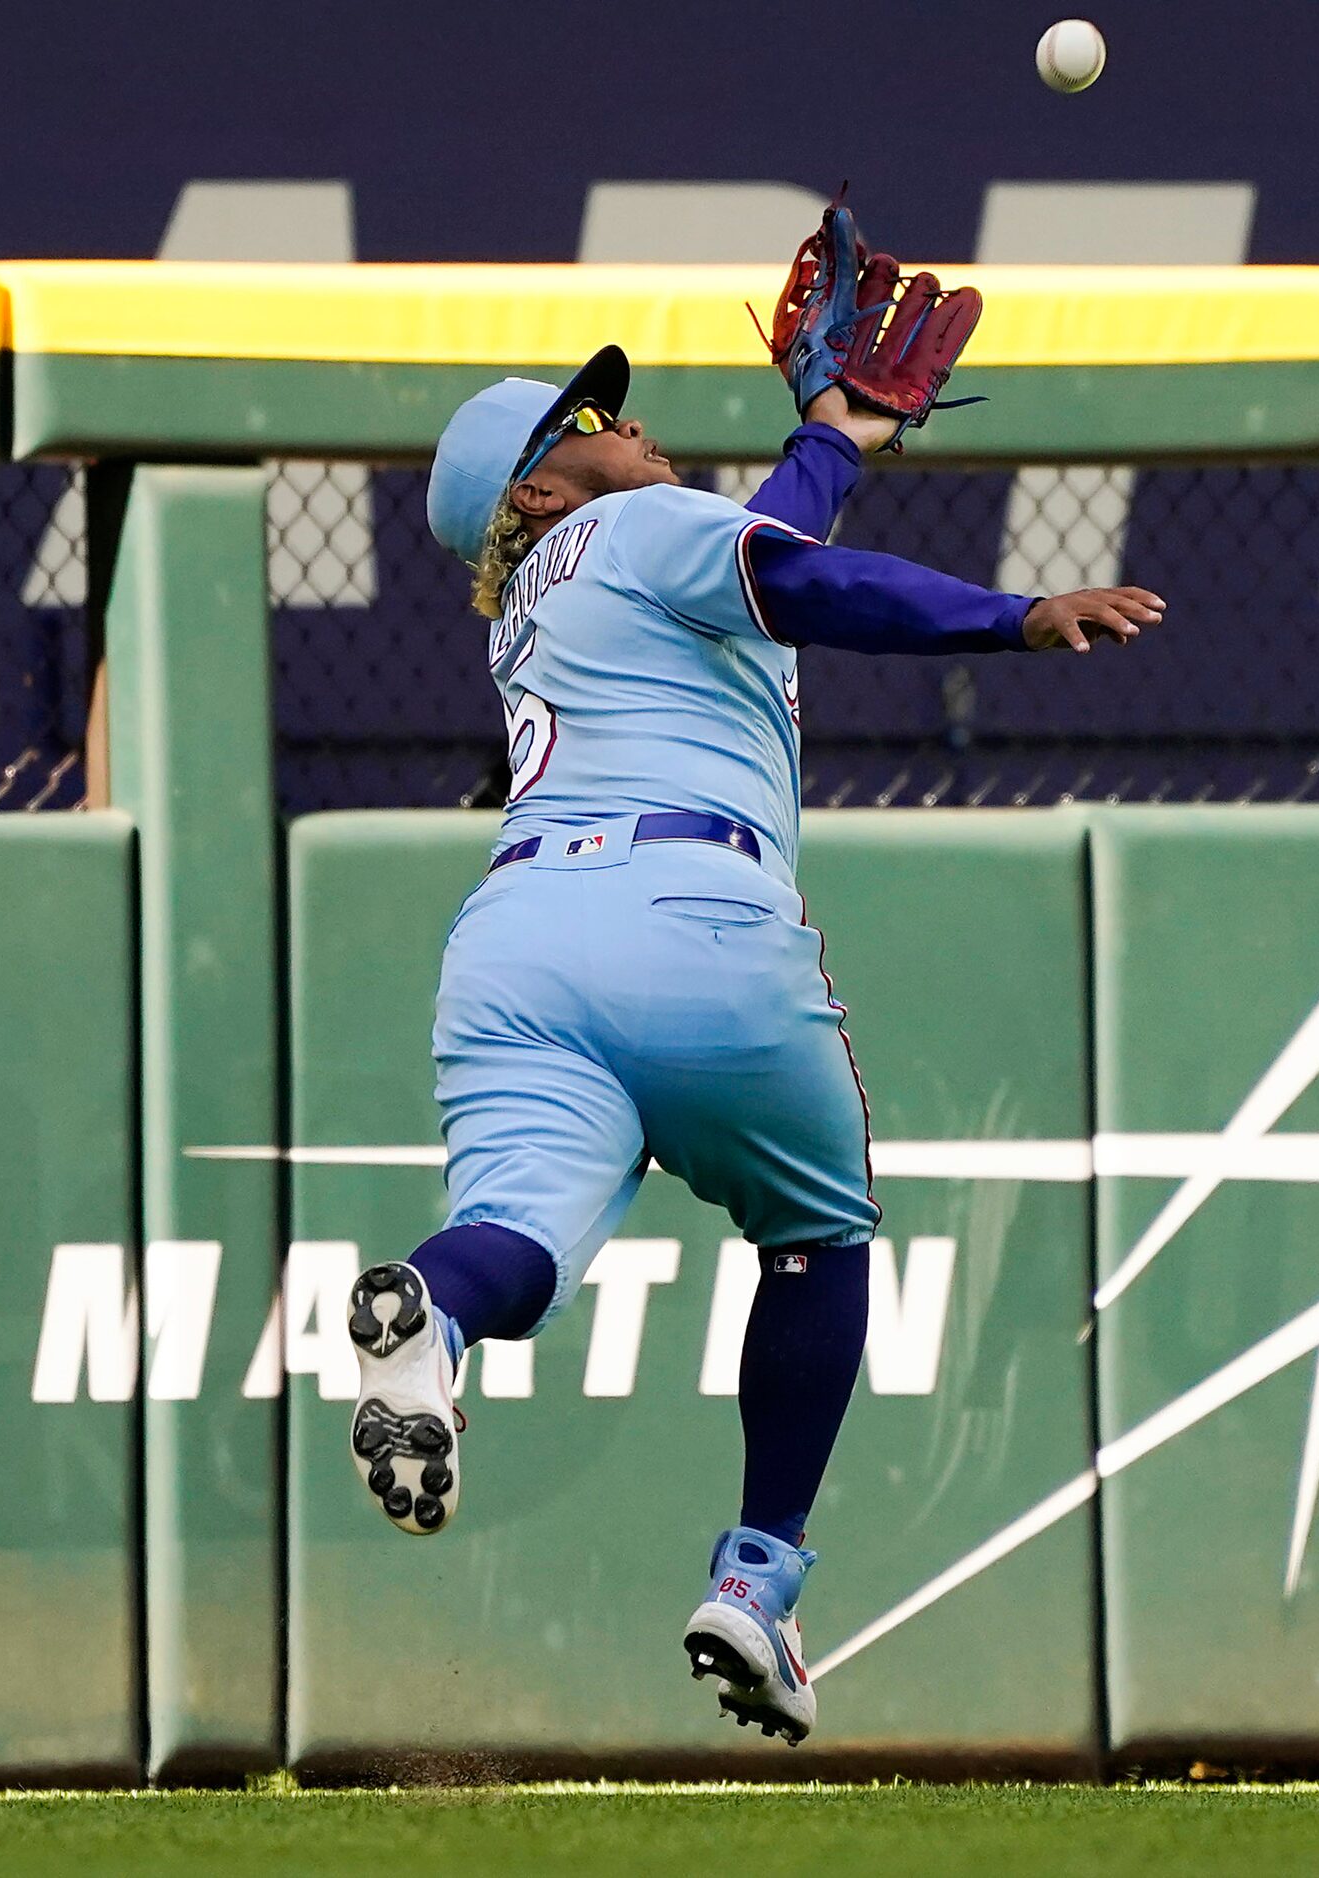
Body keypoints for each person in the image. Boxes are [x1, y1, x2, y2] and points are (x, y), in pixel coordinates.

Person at [343, 330, 1163, 1746]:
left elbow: (766, 540)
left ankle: (429, 1323)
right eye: (588, 416)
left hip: (519, 940)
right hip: (690, 912)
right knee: (816, 1234)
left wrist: (837, 435)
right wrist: (1010, 615)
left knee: (514, 1245)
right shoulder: (637, 525)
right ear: (536, 492)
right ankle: (756, 1575)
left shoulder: (542, 592)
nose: (627, 418)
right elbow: (800, 575)